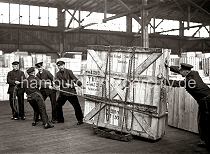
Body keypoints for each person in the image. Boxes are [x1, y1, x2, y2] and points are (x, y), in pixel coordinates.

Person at [165, 62, 210, 150]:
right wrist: (169, 66)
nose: (180, 72)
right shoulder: (194, 73)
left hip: (207, 102)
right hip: (205, 100)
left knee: (206, 122)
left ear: (186, 72)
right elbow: (179, 70)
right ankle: (205, 141)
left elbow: (177, 83)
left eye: (182, 71)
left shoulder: (190, 81)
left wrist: (163, 81)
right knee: (202, 122)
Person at [55, 60, 83, 125]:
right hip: (63, 93)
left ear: (64, 65)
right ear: (58, 67)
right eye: (59, 66)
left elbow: (74, 78)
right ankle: (60, 119)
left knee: (76, 106)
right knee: (58, 105)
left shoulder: (69, 71)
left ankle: (80, 119)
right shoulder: (57, 74)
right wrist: (63, 84)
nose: (60, 67)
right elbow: (57, 81)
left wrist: (80, 84)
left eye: (62, 65)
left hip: (71, 92)